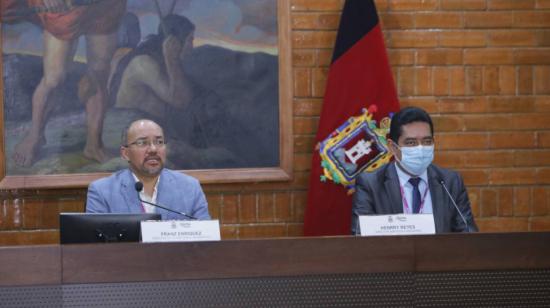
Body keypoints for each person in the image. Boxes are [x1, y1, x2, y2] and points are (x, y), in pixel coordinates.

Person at [11, 0, 127, 166]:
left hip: (104, 5)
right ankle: (34, 136)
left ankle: (94, 145)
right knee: (54, 77)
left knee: (99, 73)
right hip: (65, 6)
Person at [351, 106, 477, 234]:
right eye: (411, 143)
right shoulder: (371, 184)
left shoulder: (450, 182)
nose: (421, 149)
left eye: (427, 141)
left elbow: (468, 235)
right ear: (393, 147)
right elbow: (361, 237)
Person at [86, 119, 210, 220]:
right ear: (125, 153)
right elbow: (95, 246)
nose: (153, 149)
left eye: (159, 142)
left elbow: (206, 241)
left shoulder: (189, 188)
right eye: (142, 143)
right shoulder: (102, 191)